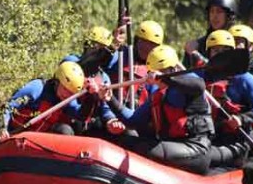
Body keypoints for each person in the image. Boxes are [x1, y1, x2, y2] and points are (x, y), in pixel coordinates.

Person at [101, 45, 214, 174]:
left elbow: (199, 86)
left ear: (172, 69)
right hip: (173, 146)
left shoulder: (190, 80)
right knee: (127, 140)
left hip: (196, 149)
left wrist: (166, 78)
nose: (156, 77)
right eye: (153, 72)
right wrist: (110, 99)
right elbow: (133, 121)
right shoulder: (157, 93)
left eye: (162, 71)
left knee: (139, 147)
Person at [201, 30, 253, 167]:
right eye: (215, 50)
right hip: (210, 137)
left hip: (237, 139)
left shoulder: (244, 78)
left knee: (205, 157)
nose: (220, 54)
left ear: (232, 53)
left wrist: (241, 119)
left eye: (224, 50)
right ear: (209, 53)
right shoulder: (201, 76)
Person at [61, 26, 127, 137]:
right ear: (87, 46)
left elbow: (105, 108)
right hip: (67, 121)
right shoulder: (70, 62)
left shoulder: (104, 77)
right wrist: (111, 46)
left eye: (102, 49)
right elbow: (84, 65)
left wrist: (111, 121)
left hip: (87, 124)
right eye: (96, 48)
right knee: (67, 128)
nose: (99, 53)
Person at [0, 61, 85, 141]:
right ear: (56, 82)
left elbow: (82, 115)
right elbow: (8, 107)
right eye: (65, 89)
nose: (67, 95)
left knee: (65, 130)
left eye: (71, 93)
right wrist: (3, 129)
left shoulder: (67, 100)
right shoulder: (36, 89)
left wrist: (93, 96)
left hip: (36, 141)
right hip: (11, 136)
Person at [107, 20, 165, 104]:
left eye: (152, 44)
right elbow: (106, 57)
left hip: (136, 113)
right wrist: (114, 43)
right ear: (136, 40)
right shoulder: (121, 53)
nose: (146, 47)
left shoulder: (157, 70)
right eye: (143, 41)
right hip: (111, 107)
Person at [184, 0, 238, 67]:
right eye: (212, 11)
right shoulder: (199, 45)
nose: (214, 16)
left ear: (229, 16)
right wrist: (192, 54)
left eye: (219, 11)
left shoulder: (238, 42)